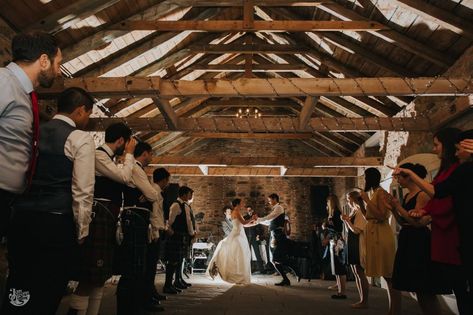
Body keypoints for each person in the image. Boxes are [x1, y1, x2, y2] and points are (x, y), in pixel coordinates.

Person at [1, 88, 94, 314]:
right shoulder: (80, 138)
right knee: (49, 288)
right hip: (56, 223)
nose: (87, 119)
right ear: (80, 110)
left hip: (21, 218)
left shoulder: (33, 132)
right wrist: (82, 230)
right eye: (88, 114)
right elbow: (82, 191)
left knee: (19, 282)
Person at [0, 32, 62, 308]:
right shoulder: (4, 82)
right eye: (60, 63)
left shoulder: (23, 92)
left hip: (10, 199)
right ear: (44, 60)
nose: (60, 71)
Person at [393, 129, 473, 315]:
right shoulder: (458, 170)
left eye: (437, 144)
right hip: (455, 237)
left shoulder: (462, 170)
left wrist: (411, 175)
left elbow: (440, 194)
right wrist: (425, 211)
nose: (435, 148)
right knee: (461, 292)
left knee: (460, 292)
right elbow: (440, 195)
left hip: (459, 236)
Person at [68, 123, 136, 315]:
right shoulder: (99, 155)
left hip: (108, 217)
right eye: (127, 143)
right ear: (121, 141)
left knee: (99, 279)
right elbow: (124, 177)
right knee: (89, 278)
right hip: (99, 216)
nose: (128, 146)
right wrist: (130, 154)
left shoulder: (109, 158)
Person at [388, 163, 450, 315]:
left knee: (424, 288)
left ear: (409, 177)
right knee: (417, 288)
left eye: (399, 177)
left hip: (419, 241)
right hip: (408, 239)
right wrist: (394, 210)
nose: (398, 180)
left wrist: (399, 207)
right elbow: (404, 222)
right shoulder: (408, 195)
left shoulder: (422, 194)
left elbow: (417, 223)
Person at [118, 142, 166, 313]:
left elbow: (150, 195)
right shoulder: (136, 169)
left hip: (139, 219)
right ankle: (130, 307)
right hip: (136, 219)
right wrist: (148, 195)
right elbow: (153, 194)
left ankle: (135, 304)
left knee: (139, 266)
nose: (151, 158)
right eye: (151, 154)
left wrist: (147, 195)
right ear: (145, 153)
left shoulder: (138, 169)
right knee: (135, 266)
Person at [359, 168, 401, 315]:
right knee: (384, 273)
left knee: (388, 273)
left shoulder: (381, 193)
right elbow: (370, 216)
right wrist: (361, 205)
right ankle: (393, 309)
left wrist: (366, 200)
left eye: (365, 178)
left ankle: (395, 310)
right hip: (373, 232)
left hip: (381, 234)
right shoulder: (374, 193)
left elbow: (382, 215)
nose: (364, 181)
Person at [206, 199, 255, 285]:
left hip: (239, 234)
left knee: (239, 256)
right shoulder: (236, 212)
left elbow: (244, 225)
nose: (243, 204)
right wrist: (252, 218)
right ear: (237, 204)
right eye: (241, 203)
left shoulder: (236, 212)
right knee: (239, 255)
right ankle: (235, 275)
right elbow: (243, 222)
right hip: (237, 236)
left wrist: (255, 223)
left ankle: (239, 275)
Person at [255, 193, 293, 286]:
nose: (269, 202)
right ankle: (286, 279)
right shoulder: (276, 209)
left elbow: (270, 217)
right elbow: (269, 222)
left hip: (278, 235)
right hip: (274, 235)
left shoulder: (279, 208)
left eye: (270, 200)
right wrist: (258, 220)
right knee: (275, 259)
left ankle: (290, 274)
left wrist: (258, 220)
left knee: (276, 258)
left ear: (275, 199)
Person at [163, 186, 195, 294]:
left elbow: (189, 221)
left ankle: (176, 281)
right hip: (175, 236)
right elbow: (171, 220)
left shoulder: (185, 205)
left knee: (179, 260)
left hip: (181, 235)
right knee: (172, 260)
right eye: (190, 194)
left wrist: (191, 233)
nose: (191, 196)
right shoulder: (176, 205)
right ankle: (167, 285)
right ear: (184, 194)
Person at [342, 191, 369, 309]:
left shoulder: (360, 212)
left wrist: (347, 221)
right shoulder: (353, 211)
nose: (348, 202)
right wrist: (346, 220)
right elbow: (350, 230)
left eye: (349, 199)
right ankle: (361, 298)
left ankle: (365, 300)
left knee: (360, 272)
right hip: (352, 242)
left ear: (354, 199)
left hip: (358, 242)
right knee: (356, 272)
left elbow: (357, 230)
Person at [244, 207, 265, 273]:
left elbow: (259, 227)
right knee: (248, 254)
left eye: (250, 210)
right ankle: (250, 270)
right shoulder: (245, 217)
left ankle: (261, 269)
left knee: (257, 253)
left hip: (254, 237)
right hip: (247, 238)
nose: (249, 211)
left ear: (252, 210)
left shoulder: (256, 217)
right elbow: (243, 227)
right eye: (248, 210)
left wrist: (258, 235)